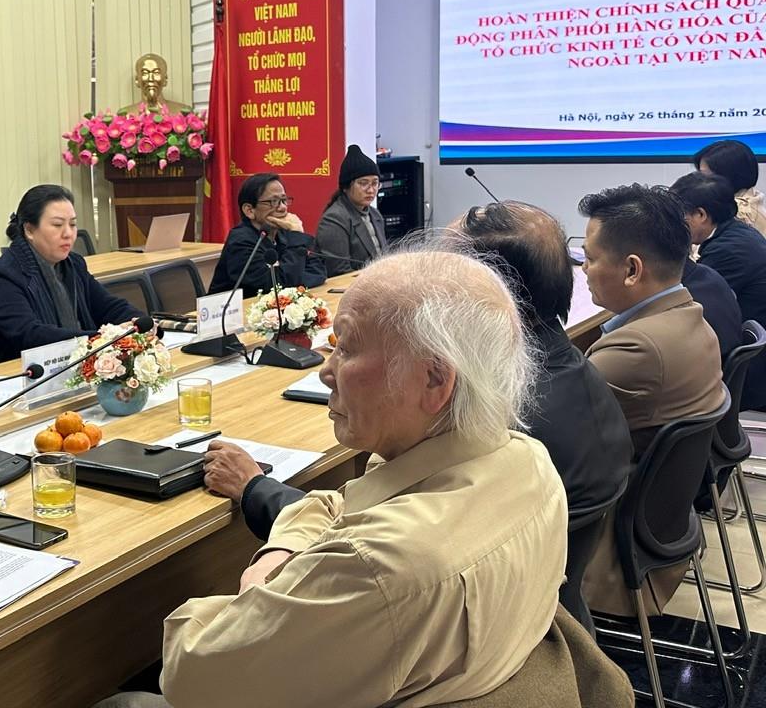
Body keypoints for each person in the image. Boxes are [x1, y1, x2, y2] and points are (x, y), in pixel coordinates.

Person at [105, 250, 567, 708]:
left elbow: (194, 677)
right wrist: (285, 549)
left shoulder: (379, 567)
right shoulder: (529, 463)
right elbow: (338, 506)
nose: (326, 370)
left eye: (345, 348)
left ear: (433, 380)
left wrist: (260, 585)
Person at [208, 202, 632, 541]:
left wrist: (255, 488)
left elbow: (373, 544)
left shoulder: (503, 414)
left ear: (483, 291)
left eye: (438, 271)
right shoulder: (567, 365)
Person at [577, 183, 724, 616]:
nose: (583, 270)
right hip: (661, 525)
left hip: (611, 546)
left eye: (589, 258)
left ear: (632, 269)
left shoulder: (638, 350)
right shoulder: (691, 318)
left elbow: (548, 431)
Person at [0, 186, 136, 367]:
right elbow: (30, 335)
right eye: (58, 225)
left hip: (69, 367)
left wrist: (137, 323)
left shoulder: (74, 264)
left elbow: (107, 306)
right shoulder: (5, 277)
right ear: (29, 230)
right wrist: (102, 339)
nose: (68, 233)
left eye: (72, 224)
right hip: (10, 376)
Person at [672, 171, 766, 406]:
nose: (672, 225)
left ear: (701, 215)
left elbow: (685, 301)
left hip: (746, 378)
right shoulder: (735, 233)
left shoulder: (728, 250)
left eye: (677, 217)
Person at [208, 174, 327, 298]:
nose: (282, 208)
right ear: (249, 210)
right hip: (233, 309)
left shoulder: (285, 232)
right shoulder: (241, 241)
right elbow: (276, 285)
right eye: (273, 202)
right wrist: (296, 236)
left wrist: (293, 280)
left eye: (284, 200)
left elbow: (318, 271)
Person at [315, 144, 386, 274]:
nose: (371, 190)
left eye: (375, 183)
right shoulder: (334, 219)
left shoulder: (375, 214)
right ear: (346, 187)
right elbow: (339, 271)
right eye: (363, 183)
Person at [693, 138, 766, 236]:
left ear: (731, 176)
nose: (699, 181)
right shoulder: (752, 198)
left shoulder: (739, 213)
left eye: (705, 175)